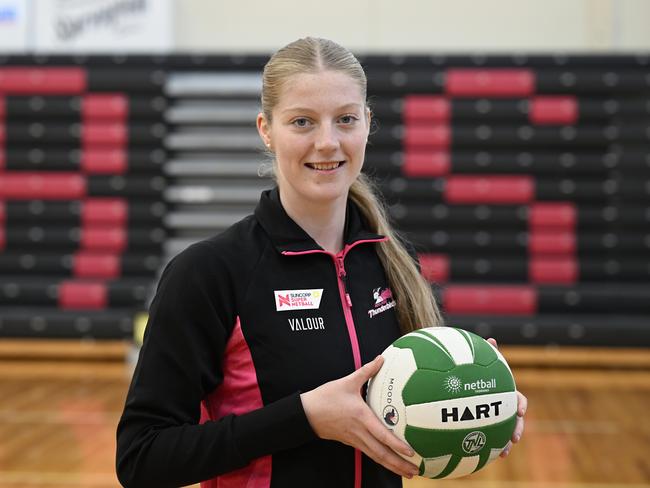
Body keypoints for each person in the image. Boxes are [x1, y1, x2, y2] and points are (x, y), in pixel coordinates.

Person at [116, 37, 527, 488]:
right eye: (302, 122)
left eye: (345, 119)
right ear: (266, 129)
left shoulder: (392, 260)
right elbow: (143, 457)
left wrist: (481, 404)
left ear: (368, 125)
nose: (327, 142)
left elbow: (412, 411)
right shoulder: (209, 274)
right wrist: (305, 417)